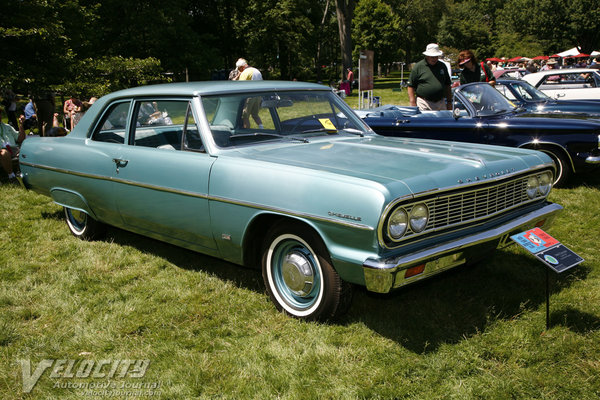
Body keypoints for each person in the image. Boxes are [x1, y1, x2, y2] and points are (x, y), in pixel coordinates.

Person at [407, 43, 452, 111]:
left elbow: (447, 85)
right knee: (424, 121)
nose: (434, 59)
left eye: (436, 56)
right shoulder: (418, 66)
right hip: (423, 102)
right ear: (427, 56)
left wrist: (449, 102)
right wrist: (412, 103)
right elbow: (410, 86)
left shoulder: (442, 66)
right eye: (432, 57)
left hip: (440, 102)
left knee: (443, 121)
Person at [234, 58, 264, 128]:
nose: (239, 70)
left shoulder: (245, 73)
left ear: (242, 67)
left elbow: (240, 87)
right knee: (255, 115)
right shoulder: (256, 70)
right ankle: (262, 128)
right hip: (258, 96)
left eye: (239, 68)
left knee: (245, 116)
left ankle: (247, 132)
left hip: (250, 96)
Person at [0, 107, 26, 184]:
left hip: (13, 149)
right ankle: (12, 177)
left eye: (0, 114)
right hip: (2, 151)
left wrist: (21, 125)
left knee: (28, 151)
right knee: (4, 153)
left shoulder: (7, 126)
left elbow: (20, 139)